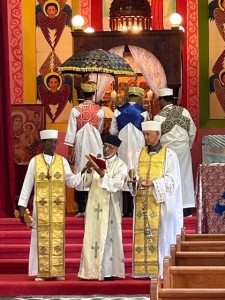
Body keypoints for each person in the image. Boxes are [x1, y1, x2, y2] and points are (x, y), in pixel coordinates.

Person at [17, 129, 86, 281]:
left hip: (57, 209)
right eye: (49, 142)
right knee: (39, 237)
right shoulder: (35, 161)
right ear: (43, 143)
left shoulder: (62, 161)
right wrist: (22, 207)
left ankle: (56, 271)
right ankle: (41, 272)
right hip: (40, 209)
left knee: (57, 238)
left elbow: (71, 181)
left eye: (54, 142)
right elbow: (27, 185)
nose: (52, 145)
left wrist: (84, 171)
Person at [128, 120, 183, 278]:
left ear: (158, 135)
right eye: (144, 134)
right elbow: (135, 178)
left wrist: (155, 183)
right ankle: (143, 270)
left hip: (160, 204)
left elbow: (173, 180)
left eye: (148, 134)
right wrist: (133, 178)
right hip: (142, 203)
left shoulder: (169, 155)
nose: (145, 137)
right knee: (143, 235)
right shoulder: (139, 154)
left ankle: (159, 270)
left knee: (161, 236)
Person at [78, 135, 127, 281]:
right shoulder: (97, 161)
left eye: (109, 147)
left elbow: (116, 185)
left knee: (109, 238)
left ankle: (108, 271)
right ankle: (90, 271)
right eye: (104, 146)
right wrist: (87, 170)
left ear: (116, 149)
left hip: (110, 206)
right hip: (94, 205)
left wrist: (100, 172)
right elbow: (84, 184)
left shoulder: (121, 165)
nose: (106, 149)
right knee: (92, 237)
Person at [153, 88, 196, 216]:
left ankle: (171, 207)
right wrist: (188, 147)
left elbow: (156, 137)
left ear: (162, 100)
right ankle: (186, 208)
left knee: (169, 177)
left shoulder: (158, 117)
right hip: (183, 150)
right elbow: (192, 131)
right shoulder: (185, 112)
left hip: (168, 151)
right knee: (185, 177)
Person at [64, 81, 105, 216]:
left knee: (80, 171)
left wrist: (70, 148)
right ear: (94, 94)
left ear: (82, 93)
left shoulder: (76, 110)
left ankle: (81, 207)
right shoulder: (100, 111)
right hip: (96, 144)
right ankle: (93, 206)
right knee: (95, 170)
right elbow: (99, 129)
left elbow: (71, 131)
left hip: (81, 143)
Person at [110, 86, 150, 217]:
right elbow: (147, 131)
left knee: (123, 171)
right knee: (136, 171)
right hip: (138, 145)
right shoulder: (143, 112)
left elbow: (113, 131)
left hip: (122, 145)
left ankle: (124, 208)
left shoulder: (117, 111)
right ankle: (134, 208)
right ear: (138, 98)